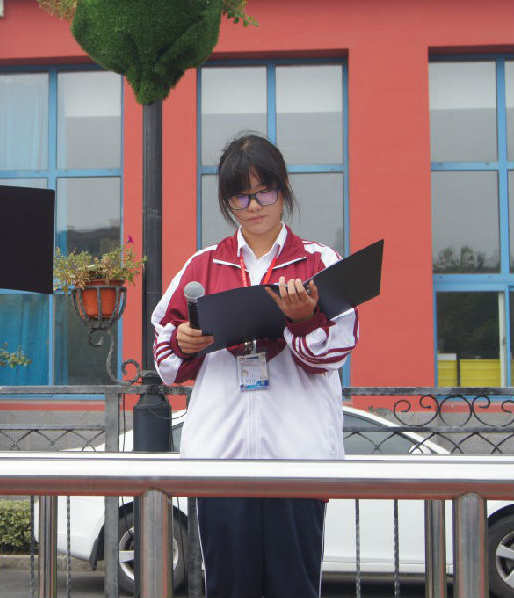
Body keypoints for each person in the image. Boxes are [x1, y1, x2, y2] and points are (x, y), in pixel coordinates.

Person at [152, 133, 358, 598]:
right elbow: (165, 360)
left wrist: (304, 320)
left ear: (283, 189)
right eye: (240, 196)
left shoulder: (319, 262)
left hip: (299, 463)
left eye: (265, 191)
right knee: (228, 588)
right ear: (226, 201)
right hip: (220, 463)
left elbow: (334, 352)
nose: (254, 206)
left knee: (295, 588)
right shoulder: (202, 266)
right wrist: (184, 342)